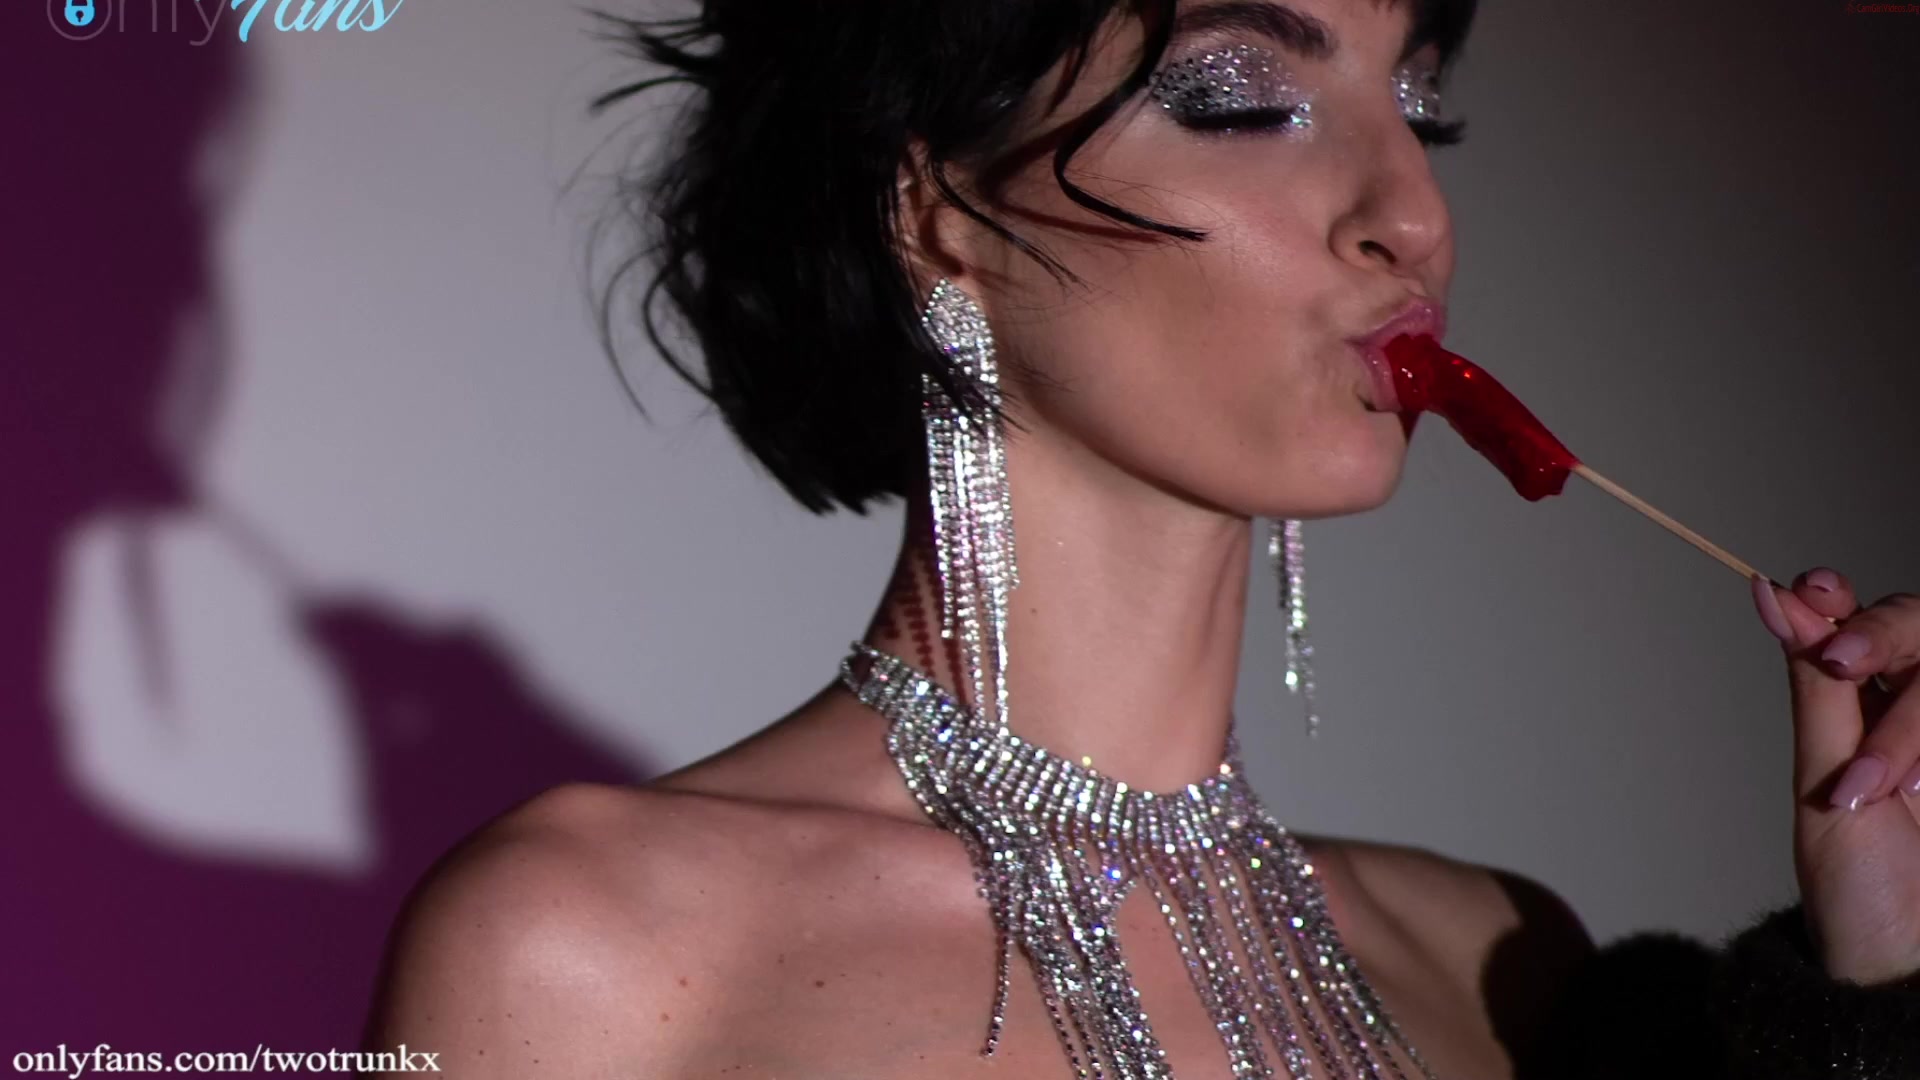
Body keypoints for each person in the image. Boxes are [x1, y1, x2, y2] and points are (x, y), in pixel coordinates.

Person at [360, 1, 1920, 1076]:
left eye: (1418, 104)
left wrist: (1883, 980)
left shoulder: (1499, 961)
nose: (1411, 213)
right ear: (936, 210)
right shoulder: (589, 951)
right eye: (1243, 98)